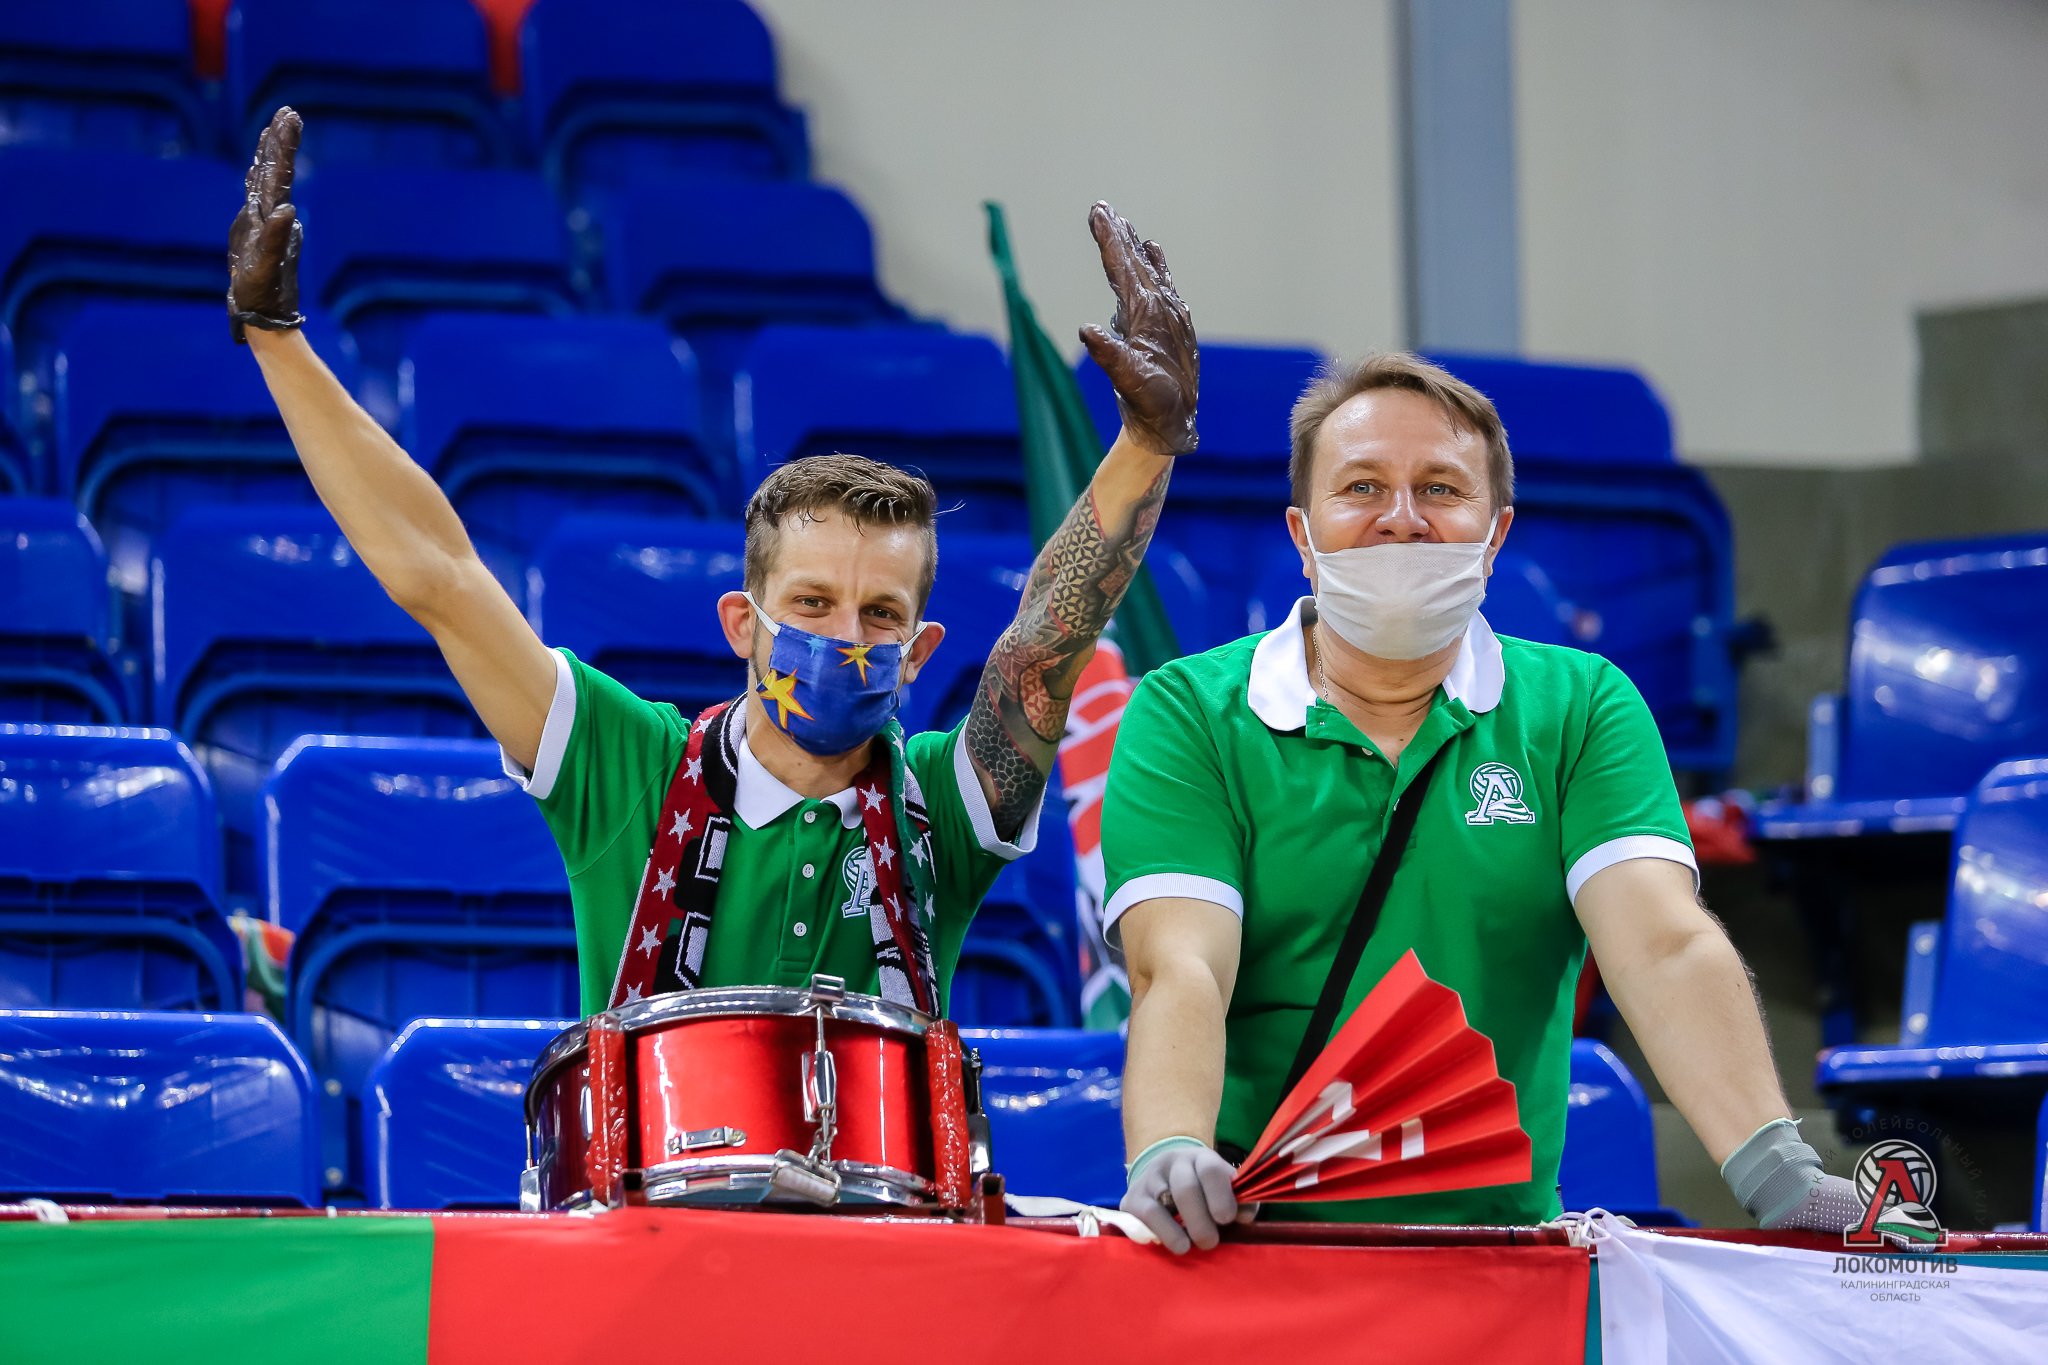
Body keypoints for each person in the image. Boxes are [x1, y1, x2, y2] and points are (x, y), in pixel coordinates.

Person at [225, 107, 1200, 1017]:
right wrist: (276, 342)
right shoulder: (624, 763)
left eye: (879, 615)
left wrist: (1146, 445)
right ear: (742, 621)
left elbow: (1051, 631)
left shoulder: (941, 808)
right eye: (810, 602)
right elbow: (441, 574)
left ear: (918, 651)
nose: (845, 638)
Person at [1102, 351, 1864, 1252]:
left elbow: (1662, 945)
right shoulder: (1188, 712)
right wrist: (1171, 1144)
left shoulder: (1582, 707)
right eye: (1361, 487)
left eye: (1440, 487)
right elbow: (1180, 965)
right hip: (1257, 1248)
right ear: (1303, 535)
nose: (1401, 517)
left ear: (1495, 535)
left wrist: (1779, 1173)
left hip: (1498, 1257)